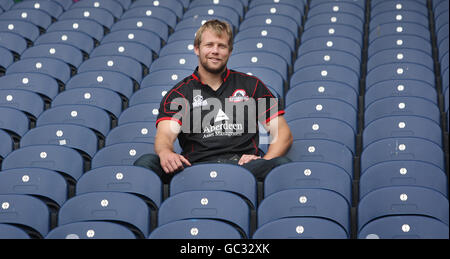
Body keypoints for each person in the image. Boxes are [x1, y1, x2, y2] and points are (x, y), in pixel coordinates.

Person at [134, 19, 293, 184]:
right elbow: (164, 135)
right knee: (147, 162)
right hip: (193, 167)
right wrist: (166, 152)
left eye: (221, 46)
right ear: (197, 49)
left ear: (230, 51)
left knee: (281, 165)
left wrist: (265, 160)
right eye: (209, 45)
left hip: (242, 166)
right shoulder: (178, 94)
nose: (215, 51)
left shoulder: (252, 86)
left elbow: (283, 134)